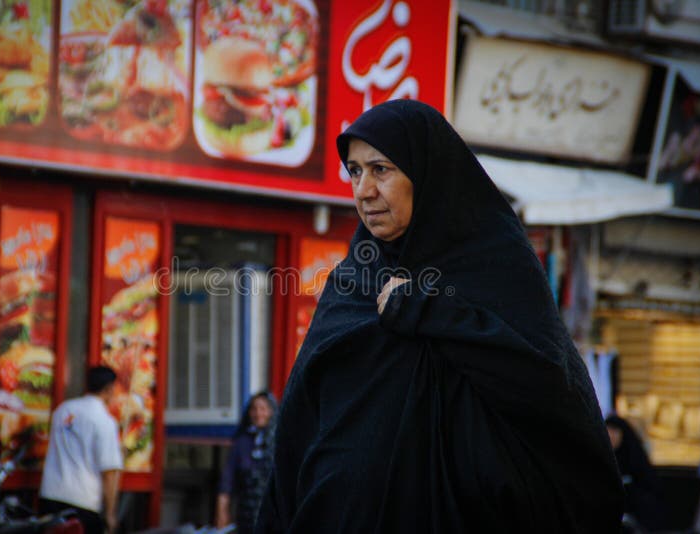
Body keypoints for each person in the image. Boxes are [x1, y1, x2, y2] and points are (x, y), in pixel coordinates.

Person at [255, 100, 624, 533]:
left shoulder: (497, 268)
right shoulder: (353, 283)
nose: (363, 190)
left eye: (381, 169)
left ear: (427, 174)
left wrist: (432, 315)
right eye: (354, 171)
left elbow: (544, 391)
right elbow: (301, 416)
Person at [39, 365, 123, 533]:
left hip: (50, 496)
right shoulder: (105, 421)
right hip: (83, 502)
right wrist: (110, 514)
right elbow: (109, 473)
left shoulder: (63, 410)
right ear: (109, 389)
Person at [215, 392, 277, 534]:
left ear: (271, 411)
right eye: (254, 409)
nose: (258, 413)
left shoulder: (279, 442)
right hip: (246, 514)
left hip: (273, 515)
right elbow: (227, 479)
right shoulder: (241, 442)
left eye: (263, 409)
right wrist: (222, 511)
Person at [606, 415, 666, 531]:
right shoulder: (604, 459)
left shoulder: (634, 458)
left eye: (614, 431)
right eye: (608, 431)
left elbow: (650, 488)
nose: (610, 435)